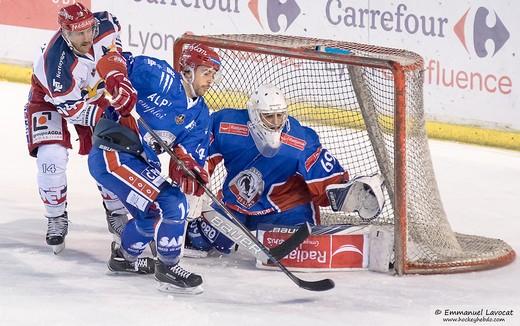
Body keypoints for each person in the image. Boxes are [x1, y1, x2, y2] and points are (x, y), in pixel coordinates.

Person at [186, 84, 385, 255]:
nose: (275, 123)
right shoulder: (226, 124)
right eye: (268, 116)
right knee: (209, 242)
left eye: (279, 116)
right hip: (237, 203)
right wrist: (194, 184)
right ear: (254, 115)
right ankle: (177, 224)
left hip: (286, 208)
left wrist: (348, 194)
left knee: (303, 249)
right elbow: (200, 154)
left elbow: (325, 181)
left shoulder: (300, 140)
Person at [88, 43, 221, 293]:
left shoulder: (201, 114)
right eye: (207, 72)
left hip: (136, 162)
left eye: (214, 74)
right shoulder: (159, 75)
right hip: (112, 151)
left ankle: (123, 259)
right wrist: (117, 79)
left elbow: (189, 157)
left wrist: (190, 169)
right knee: (173, 203)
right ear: (188, 71)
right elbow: (112, 59)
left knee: (151, 218)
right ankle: (169, 266)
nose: (211, 80)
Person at [23, 3, 133, 254]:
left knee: (108, 151)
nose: (86, 37)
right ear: (65, 33)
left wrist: (116, 76)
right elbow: (72, 110)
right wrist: (105, 117)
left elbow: (116, 49)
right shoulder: (58, 66)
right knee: (51, 157)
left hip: (92, 94)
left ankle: (116, 211)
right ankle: (56, 216)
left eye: (88, 30)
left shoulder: (106, 24)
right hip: (50, 100)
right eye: (77, 33)